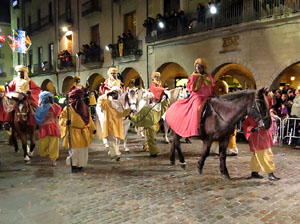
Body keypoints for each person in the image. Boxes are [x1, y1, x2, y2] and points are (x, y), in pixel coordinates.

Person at [166, 58, 215, 137]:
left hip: (208, 95)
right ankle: (198, 126)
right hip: (197, 96)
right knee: (197, 108)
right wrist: (195, 86)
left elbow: (212, 85)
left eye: (199, 67)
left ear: (203, 68)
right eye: (196, 67)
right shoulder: (193, 77)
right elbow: (190, 87)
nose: (197, 69)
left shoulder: (208, 76)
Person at [59, 88, 96, 173]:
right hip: (74, 132)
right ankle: (73, 164)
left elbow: (89, 119)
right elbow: (62, 118)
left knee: (83, 150)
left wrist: (92, 129)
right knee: (75, 151)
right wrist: (66, 122)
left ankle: (80, 165)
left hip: (84, 132)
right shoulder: (68, 109)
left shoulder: (85, 108)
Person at [129, 92, 169, 157]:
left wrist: (131, 117)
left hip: (149, 126)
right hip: (155, 125)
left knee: (151, 139)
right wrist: (166, 100)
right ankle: (147, 147)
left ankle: (154, 152)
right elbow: (163, 107)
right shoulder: (157, 107)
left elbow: (138, 117)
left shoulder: (145, 108)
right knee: (151, 138)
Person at [3, 65, 41, 129]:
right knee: (10, 108)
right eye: (19, 73)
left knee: (35, 107)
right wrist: (6, 87)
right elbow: (9, 89)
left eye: (22, 73)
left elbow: (37, 89)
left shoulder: (29, 81)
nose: (20, 74)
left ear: (25, 73)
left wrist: (30, 92)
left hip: (27, 98)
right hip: (16, 98)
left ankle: (37, 122)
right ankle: (7, 122)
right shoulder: (14, 81)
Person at [243, 116, 280, 181]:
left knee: (257, 156)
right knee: (265, 155)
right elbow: (246, 125)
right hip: (257, 138)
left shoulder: (264, 114)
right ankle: (270, 174)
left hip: (263, 136)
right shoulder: (251, 116)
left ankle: (255, 172)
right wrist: (251, 128)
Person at [97, 87, 130, 161]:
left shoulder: (119, 103)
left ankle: (116, 152)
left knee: (117, 140)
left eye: (116, 93)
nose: (115, 94)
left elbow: (122, 113)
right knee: (111, 141)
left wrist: (129, 110)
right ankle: (114, 154)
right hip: (109, 124)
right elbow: (100, 102)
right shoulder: (107, 102)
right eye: (113, 93)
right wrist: (106, 94)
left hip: (117, 124)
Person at [34, 91, 62, 166]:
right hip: (50, 128)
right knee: (50, 143)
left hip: (47, 129)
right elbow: (59, 110)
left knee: (47, 143)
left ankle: (48, 157)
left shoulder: (44, 108)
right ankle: (50, 158)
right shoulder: (52, 107)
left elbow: (37, 118)